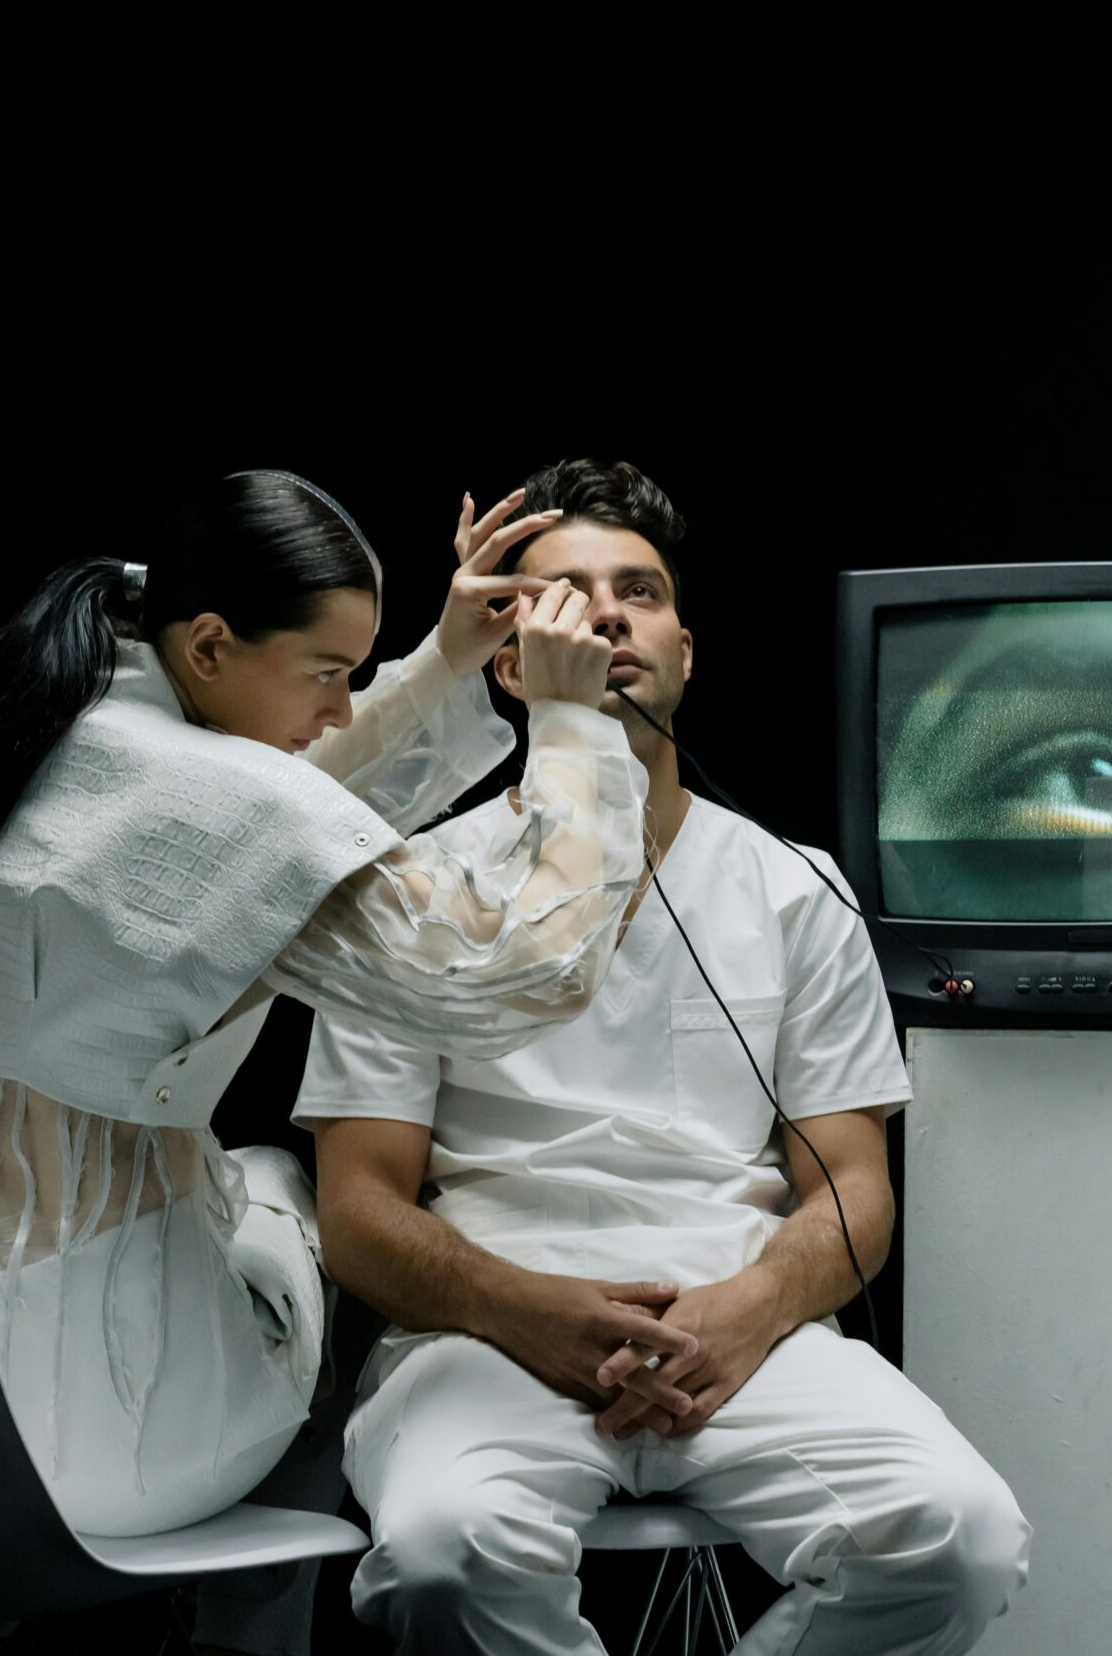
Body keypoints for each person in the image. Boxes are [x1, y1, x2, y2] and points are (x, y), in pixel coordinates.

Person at [299, 459, 1029, 1654]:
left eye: (638, 591)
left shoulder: (794, 889)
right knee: (442, 1554)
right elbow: (360, 1207)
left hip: (737, 1337)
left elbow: (852, 1187)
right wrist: (524, 1311)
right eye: (563, 593)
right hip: (485, 1338)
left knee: (958, 1536)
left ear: (686, 648)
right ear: (504, 655)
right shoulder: (411, 891)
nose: (604, 614)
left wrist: (743, 1314)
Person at [0, 470, 649, 1560]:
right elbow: (525, 969)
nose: (342, 709)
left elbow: (255, 818)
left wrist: (443, 656)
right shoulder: (205, 798)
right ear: (208, 645)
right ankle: (249, 1634)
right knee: (305, 1212)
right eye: (328, 673)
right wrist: (573, 725)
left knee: (259, 1187)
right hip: (109, 1432)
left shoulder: (28, 705)